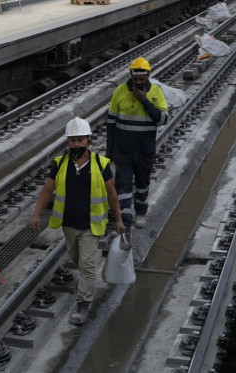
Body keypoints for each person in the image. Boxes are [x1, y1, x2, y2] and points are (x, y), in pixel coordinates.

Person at [30, 117, 125, 325]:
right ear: (68, 143)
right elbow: (47, 190)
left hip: (92, 225)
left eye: (80, 140)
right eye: (72, 141)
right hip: (69, 224)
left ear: (88, 141)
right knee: (77, 259)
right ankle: (86, 280)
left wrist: (118, 219)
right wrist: (37, 214)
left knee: (87, 264)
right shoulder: (60, 164)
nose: (76, 144)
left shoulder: (101, 164)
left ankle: (83, 302)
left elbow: (112, 193)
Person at [105, 57, 168, 232]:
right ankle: (124, 223)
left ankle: (140, 212)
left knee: (142, 184)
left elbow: (162, 118)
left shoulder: (156, 92)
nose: (139, 83)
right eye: (136, 79)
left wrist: (144, 101)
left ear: (148, 75)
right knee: (123, 185)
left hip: (144, 151)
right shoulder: (119, 91)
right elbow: (111, 121)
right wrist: (109, 148)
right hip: (123, 150)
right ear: (131, 76)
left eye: (142, 79)